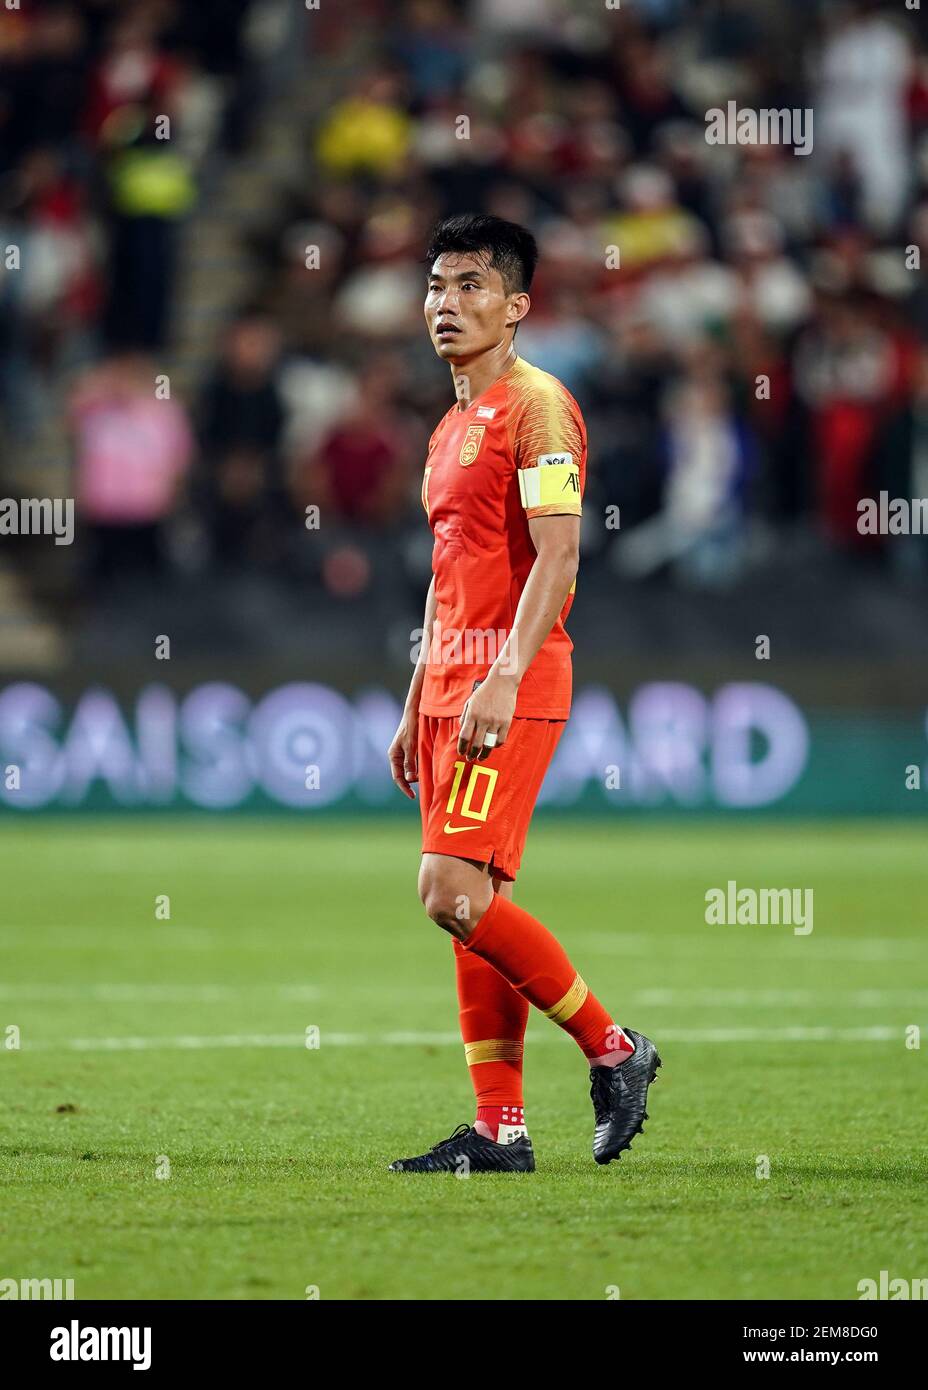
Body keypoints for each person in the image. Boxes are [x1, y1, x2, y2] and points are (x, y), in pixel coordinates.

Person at [387, 214, 661, 1173]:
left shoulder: (539, 407)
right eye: (435, 285)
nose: (445, 305)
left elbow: (561, 553)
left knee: (448, 892)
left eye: (470, 285)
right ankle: (501, 1130)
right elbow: (445, 565)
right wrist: (419, 690)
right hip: (452, 686)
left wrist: (500, 675)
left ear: (518, 304)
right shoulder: (450, 424)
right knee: (479, 902)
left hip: (512, 680)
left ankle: (614, 1048)